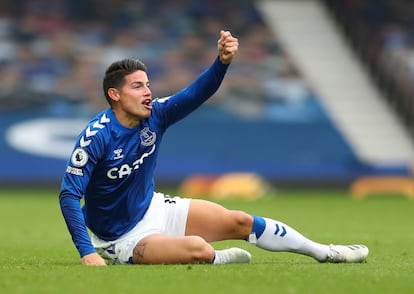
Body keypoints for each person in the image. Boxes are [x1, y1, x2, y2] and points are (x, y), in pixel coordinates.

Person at [59, 30, 369, 266]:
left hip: (153, 208)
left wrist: (222, 63)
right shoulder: (95, 137)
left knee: (239, 221)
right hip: (120, 237)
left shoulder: (156, 115)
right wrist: (87, 252)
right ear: (114, 94)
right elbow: (69, 195)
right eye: (137, 86)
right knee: (199, 249)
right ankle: (214, 258)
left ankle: (326, 253)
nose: (148, 92)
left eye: (148, 84)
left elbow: (196, 93)